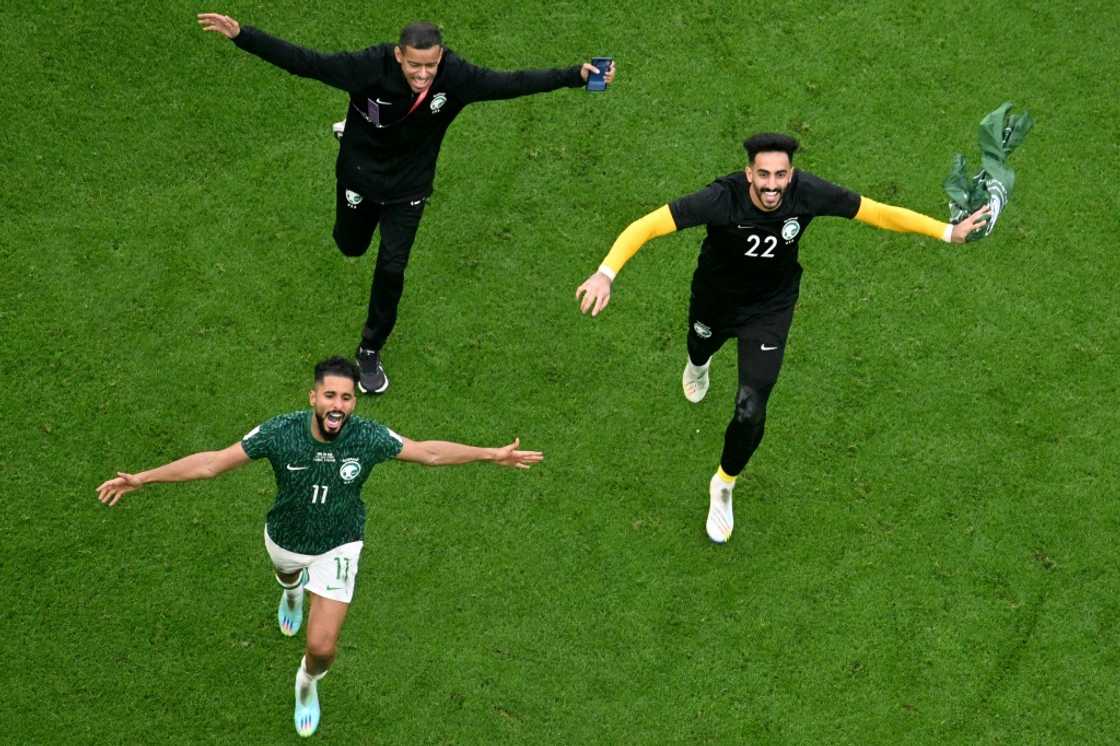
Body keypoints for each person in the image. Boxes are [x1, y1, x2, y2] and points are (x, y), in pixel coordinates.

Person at [575, 132, 991, 545]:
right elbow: (648, 225)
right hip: (716, 300)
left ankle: (723, 484)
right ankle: (699, 365)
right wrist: (606, 273)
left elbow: (876, 212)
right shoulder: (721, 199)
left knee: (751, 409)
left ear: (790, 174)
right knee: (699, 347)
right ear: (748, 173)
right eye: (763, 175)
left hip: (769, 312)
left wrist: (947, 233)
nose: (772, 185)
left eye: (780, 175)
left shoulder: (807, 192)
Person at [96, 356, 543, 738]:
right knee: (288, 576)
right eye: (330, 396)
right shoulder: (279, 432)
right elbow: (213, 463)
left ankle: (306, 683)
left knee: (323, 645)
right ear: (313, 397)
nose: (338, 406)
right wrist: (142, 478)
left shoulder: (366, 437)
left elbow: (428, 453)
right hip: (286, 539)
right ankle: (290, 590)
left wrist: (491, 454)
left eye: (346, 398)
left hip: (340, 545)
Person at [198, 13, 617, 394]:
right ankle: (354, 130)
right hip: (361, 174)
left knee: (392, 266)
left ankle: (369, 349)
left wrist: (575, 76)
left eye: (430, 66)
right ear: (398, 55)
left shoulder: (456, 76)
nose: (422, 74)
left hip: (409, 186)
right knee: (350, 246)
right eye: (413, 65)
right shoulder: (368, 67)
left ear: (441, 58)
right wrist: (242, 35)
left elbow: (513, 83)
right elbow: (306, 62)